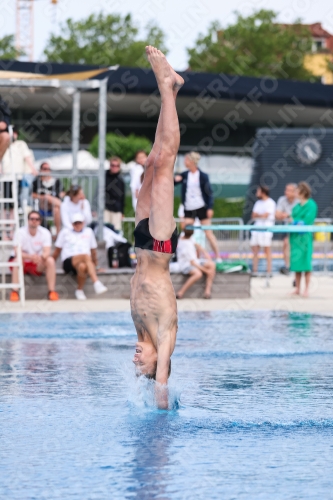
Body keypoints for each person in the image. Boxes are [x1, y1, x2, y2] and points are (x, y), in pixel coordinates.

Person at [131, 45, 184, 409]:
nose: (135, 360)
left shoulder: (139, 330)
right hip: (161, 244)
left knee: (152, 160)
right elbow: (161, 385)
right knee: (165, 163)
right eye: (141, 365)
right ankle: (168, 86)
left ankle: (170, 88)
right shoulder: (164, 339)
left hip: (140, 242)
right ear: (157, 365)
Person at [174, 151, 220, 260]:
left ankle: (218, 257)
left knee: (208, 233)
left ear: (192, 161)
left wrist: (209, 207)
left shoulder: (203, 176)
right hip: (189, 208)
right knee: (187, 232)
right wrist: (175, 178)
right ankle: (188, 257)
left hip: (201, 207)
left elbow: (209, 192)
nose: (185, 162)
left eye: (186, 160)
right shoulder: (185, 175)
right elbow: (173, 182)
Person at [53, 213, 108, 300]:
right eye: (75, 223)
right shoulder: (65, 232)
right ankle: (96, 282)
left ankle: (79, 290)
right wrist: (52, 264)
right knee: (85, 256)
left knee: (82, 266)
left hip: (84, 262)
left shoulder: (89, 232)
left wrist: (96, 265)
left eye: (79, 223)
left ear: (83, 223)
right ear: (72, 224)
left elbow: (93, 251)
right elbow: (57, 250)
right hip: (68, 261)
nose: (77, 225)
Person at [9, 210, 59, 302]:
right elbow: (17, 252)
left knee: (50, 261)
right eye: (32, 219)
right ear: (28, 220)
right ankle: (14, 291)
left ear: (40, 221)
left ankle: (52, 292)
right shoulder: (20, 232)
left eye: (37, 219)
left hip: (36, 263)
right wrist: (31, 257)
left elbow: (47, 252)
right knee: (17, 261)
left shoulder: (45, 232)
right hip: (23, 262)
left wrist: (39, 258)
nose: (34, 221)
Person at [290, 181, 318, 298]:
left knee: (306, 264)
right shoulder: (296, 206)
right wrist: (294, 223)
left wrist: (296, 222)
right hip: (294, 238)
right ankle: (297, 288)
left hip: (305, 238)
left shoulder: (311, 205)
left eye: (297, 191)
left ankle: (306, 289)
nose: (295, 193)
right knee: (296, 264)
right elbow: (292, 219)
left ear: (302, 192)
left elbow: (307, 221)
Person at [2, 125, 38, 208]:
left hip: (18, 177)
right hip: (5, 177)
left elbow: (27, 157)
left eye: (15, 133)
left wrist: (33, 169)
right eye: (12, 133)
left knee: (18, 200)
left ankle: (14, 218)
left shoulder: (21, 144)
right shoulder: (3, 145)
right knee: (6, 202)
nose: (14, 135)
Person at [176, 229, 216, 299]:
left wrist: (206, 253)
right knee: (198, 274)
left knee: (211, 264)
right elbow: (193, 263)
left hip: (195, 261)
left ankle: (207, 292)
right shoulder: (185, 246)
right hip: (186, 265)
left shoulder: (187, 237)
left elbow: (197, 245)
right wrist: (207, 271)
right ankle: (181, 292)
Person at [32, 162, 64, 235]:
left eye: (48, 169)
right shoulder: (36, 181)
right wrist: (44, 197)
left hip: (54, 205)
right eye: (45, 169)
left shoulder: (56, 181)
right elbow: (32, 195)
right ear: (41, 170)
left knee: (56, 209)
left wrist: (54, 197)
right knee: (47, 197)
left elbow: (62, 193)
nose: (47, 171)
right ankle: (64, 207)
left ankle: (58, 234)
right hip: (42, 205)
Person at [250, 185, 276, 276]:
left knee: (267, 251)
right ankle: (255, 271)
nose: (257, 193)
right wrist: (260, 215)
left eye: (258, 191)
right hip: (257, 230)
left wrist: (258, 215)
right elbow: (253, 216)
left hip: (266, 230)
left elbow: (265, 216)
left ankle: (269, 271)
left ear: (263, 192)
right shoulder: (258, 203)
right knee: (255, 251)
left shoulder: (271, 203)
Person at [275, 183, 298, 275]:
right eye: (286, 190)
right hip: (288, 227)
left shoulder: (299, 200)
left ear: (295, 192)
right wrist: (289, 217)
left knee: (296, 248)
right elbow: (277, 214)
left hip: (299, 229)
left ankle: (296, 268)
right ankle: (288, 267)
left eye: (289, 190)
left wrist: (288, 215)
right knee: (286, 244)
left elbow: (298, 217)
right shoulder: (282, 199)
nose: (286, 192)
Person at [104, 156, 125, 231]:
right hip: (105, 208)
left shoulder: (121, 179)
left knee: (116, 230)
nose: (114, 167)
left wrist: (122, 211)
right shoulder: (104, 176)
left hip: (116, 209)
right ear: (110, 166)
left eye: (117, 165)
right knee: (105, 229)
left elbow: (122, 197)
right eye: (113, 165)